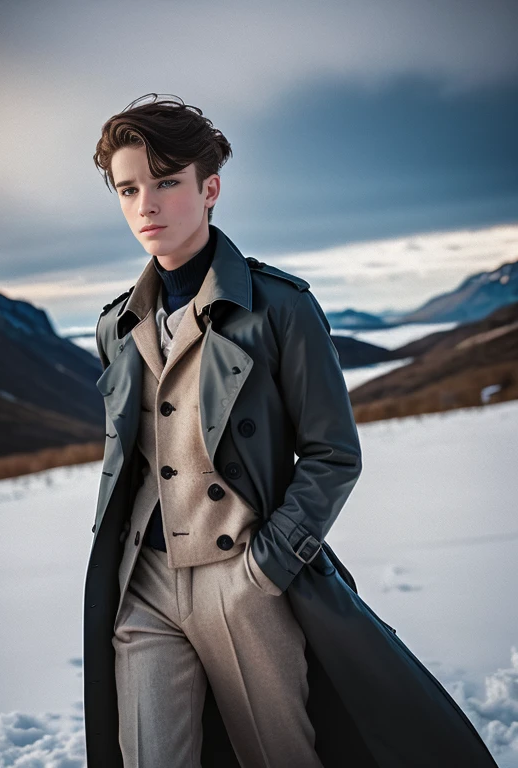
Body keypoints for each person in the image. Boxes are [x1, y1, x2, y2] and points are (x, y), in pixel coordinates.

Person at [84, 93, 498, 768]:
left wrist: (265, 567)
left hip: (242, 579)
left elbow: (334, 454)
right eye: (129, 189)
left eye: (166, 183)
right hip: (144, 586)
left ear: (209, 187)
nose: (146, 206)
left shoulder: (280, 307)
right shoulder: (115, 326)